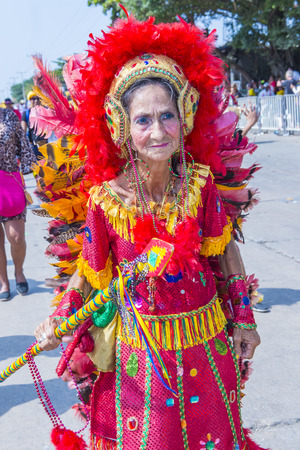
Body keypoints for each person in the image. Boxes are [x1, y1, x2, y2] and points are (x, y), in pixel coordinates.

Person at [34, 16, 264, 450]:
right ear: (122, 128)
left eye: (167, 116)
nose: (158, 132)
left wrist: (245, 321)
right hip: (140, 362)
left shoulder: (199, 183)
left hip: (206, 342)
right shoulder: (106, 199)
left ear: (186, 115)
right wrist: (59, 319)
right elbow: (90, 271)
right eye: (143, 120)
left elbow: (225, 251)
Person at [0, 107, 36, 300]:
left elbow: (22, 142)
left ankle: (18, 271)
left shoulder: (8, 116)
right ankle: (4, 281)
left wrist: (31, 167)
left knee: (16, 237)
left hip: (8, 183)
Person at [21, 91, 47, 159]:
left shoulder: (46, 111)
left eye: (38, 98)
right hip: (34, 146)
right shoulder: (26, 113)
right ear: (30, 100)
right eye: (33, 98)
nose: (36, 100)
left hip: (47, 144)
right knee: (38, 167)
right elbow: (23, 132)